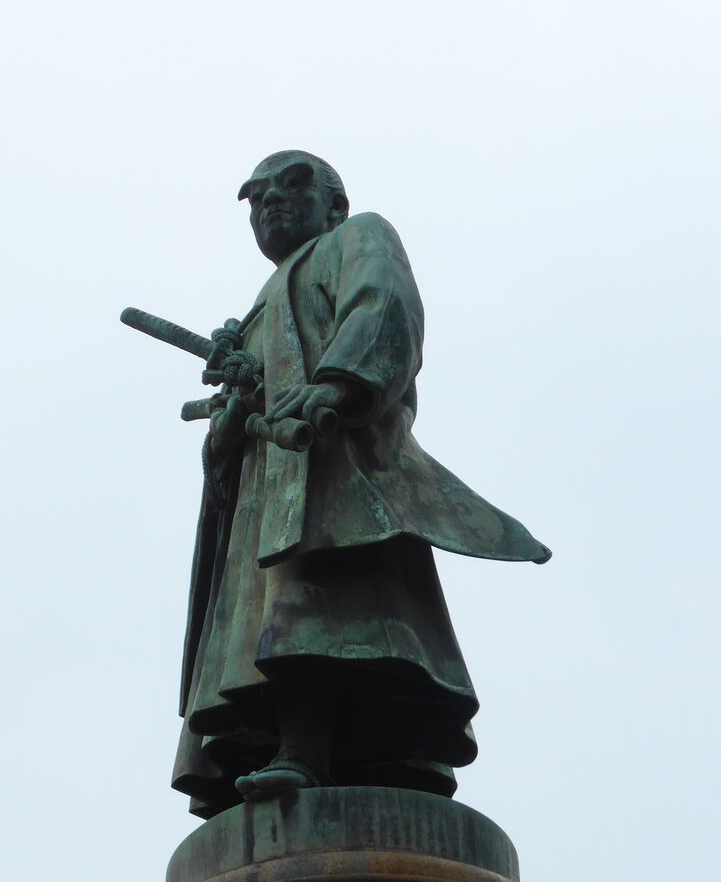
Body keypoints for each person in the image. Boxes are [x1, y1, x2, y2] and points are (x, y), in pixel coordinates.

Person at [171, 151, 550, 819]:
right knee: (272, 625)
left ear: (334, 205)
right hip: (269, 494)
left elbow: (384, 309)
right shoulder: (258, 309)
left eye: (292, 187)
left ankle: (322, 752)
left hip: (335, 472)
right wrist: (230, 428)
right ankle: (280, 751)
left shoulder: (359, 238)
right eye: (257, 198)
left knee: (323, 612)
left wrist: (336, 385)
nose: (272, 204)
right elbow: (246, 413)